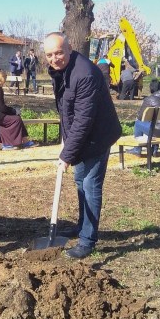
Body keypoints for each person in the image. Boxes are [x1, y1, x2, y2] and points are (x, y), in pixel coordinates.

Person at [43, 32, 122, 259]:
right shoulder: (62, 71)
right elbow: (68, 110)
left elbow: (83, 119)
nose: (54, 58)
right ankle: (81, 226)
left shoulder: (85, 74)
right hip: (82, 136)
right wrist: (66, 139)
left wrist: (67, 154)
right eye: (49, 54)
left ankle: (88, 240)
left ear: (69, 48)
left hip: (98, 136)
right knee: (80, 180)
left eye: (58, 52)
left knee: (90, 184)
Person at [0, 71, 36, 150]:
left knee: (14, 117)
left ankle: (25, 141)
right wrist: (14, 111)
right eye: (5, 80)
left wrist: (13, 111)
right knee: (16, 119)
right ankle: (8, 144)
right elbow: (1, 107)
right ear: (2, 79)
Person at [127, 79, 160, 156]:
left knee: (138, 123)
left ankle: (137, 149)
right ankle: (154, 149)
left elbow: (141, 117)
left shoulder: (149, 99)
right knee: (156, 123)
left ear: (151, 89)